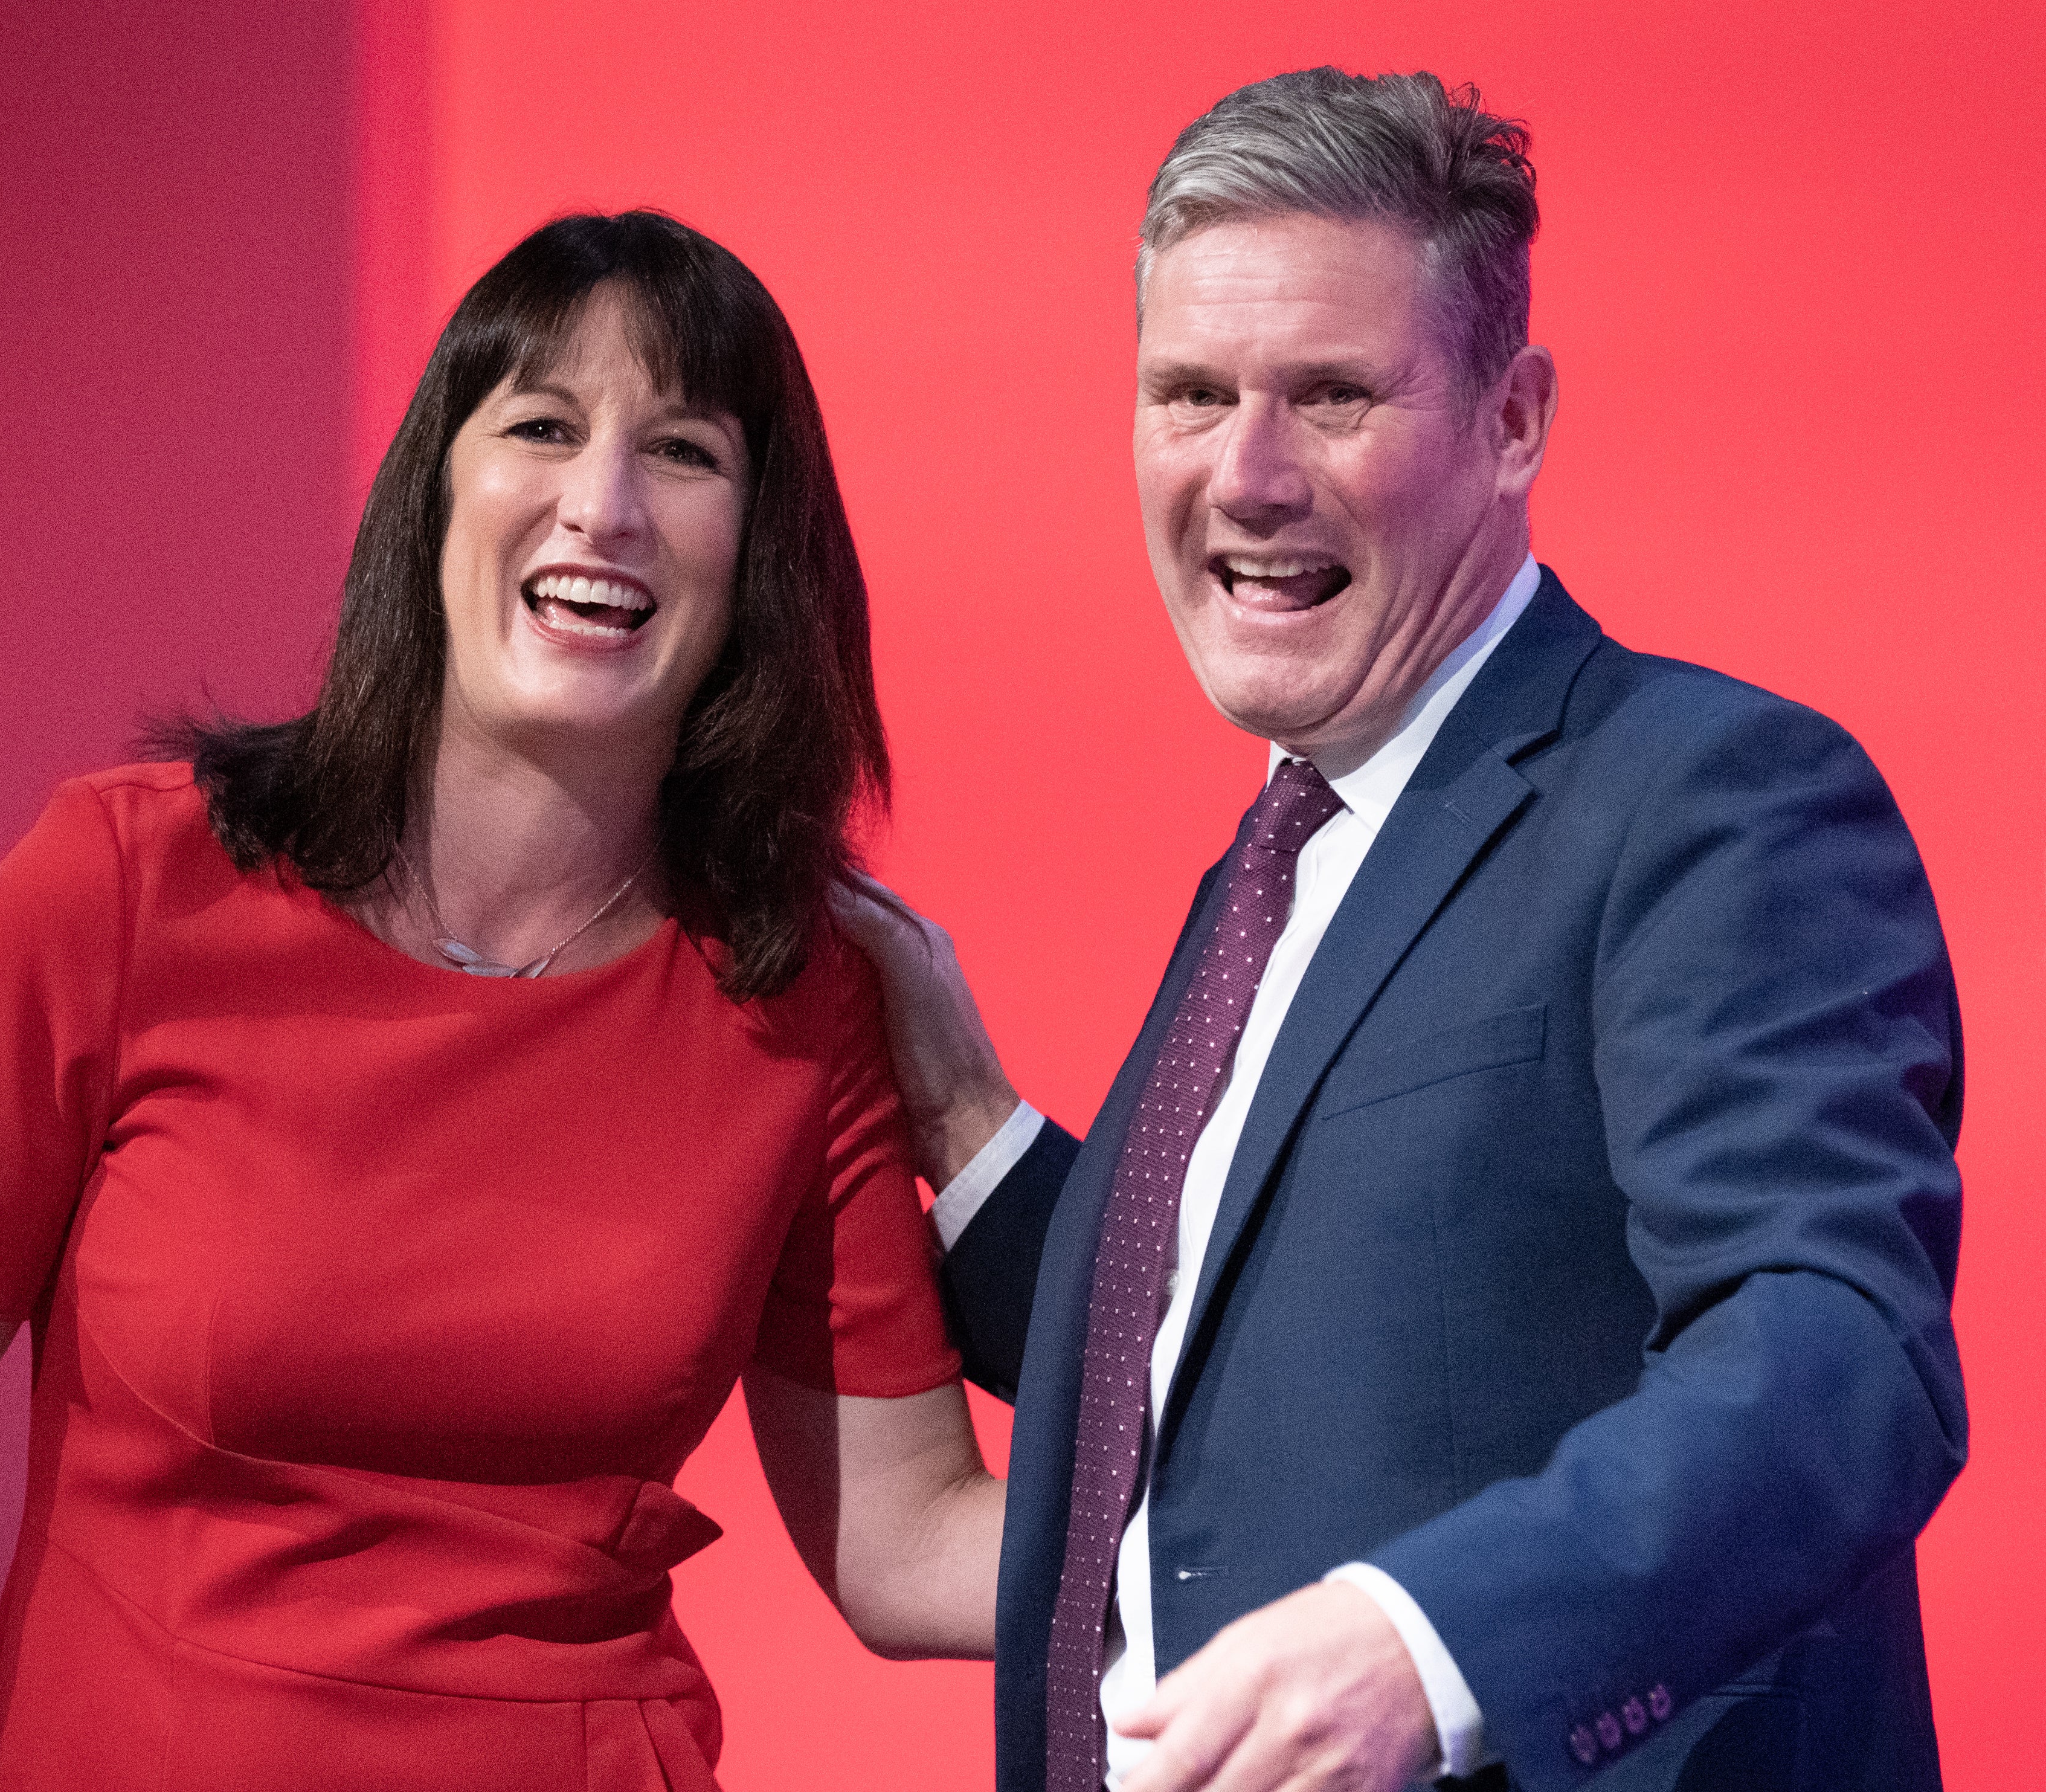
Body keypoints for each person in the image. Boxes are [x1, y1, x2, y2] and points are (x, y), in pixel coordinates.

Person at [0, 211, 1002, 1792]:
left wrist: (1359, 1558)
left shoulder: (795, 993)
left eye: (683, 451)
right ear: (437, 490)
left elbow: (908, 1551)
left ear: (757, 549)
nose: (602, 505)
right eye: (541, 427)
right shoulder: (124, 891)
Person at [837, 68, 1964, 1792]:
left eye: (1333, 396)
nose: (1248, 472)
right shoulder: (1280, 864)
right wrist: (963, 1117)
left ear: (1514, 420)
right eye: (1191, 394)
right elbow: (1271, 1342)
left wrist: (1433, 1644)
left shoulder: (1710, 798)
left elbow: (1833, 1353)